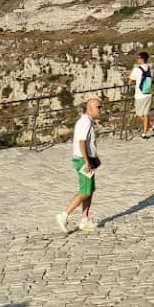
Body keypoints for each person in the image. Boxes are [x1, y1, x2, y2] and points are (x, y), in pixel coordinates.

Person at [57, 96, 102, 233]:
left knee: (90, 189)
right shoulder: (85, 122)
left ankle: (84, 219)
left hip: (87, 159)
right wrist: (87, 161)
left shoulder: (87, 121)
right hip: (83, 160)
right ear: (89, 108)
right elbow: (81, 142)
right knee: (85, 191)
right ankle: (64, 215)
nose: (100, 110)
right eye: (98, 107)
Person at [128, 50, 154, 138]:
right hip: (148, 92)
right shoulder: (149, 68)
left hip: (140, 95)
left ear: (142, 59)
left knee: (139, 114)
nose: (137, 59)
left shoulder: (137, 69)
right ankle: (145, 133)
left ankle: (153, 125)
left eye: (138, 58)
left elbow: (130, 81)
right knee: (146, 114)